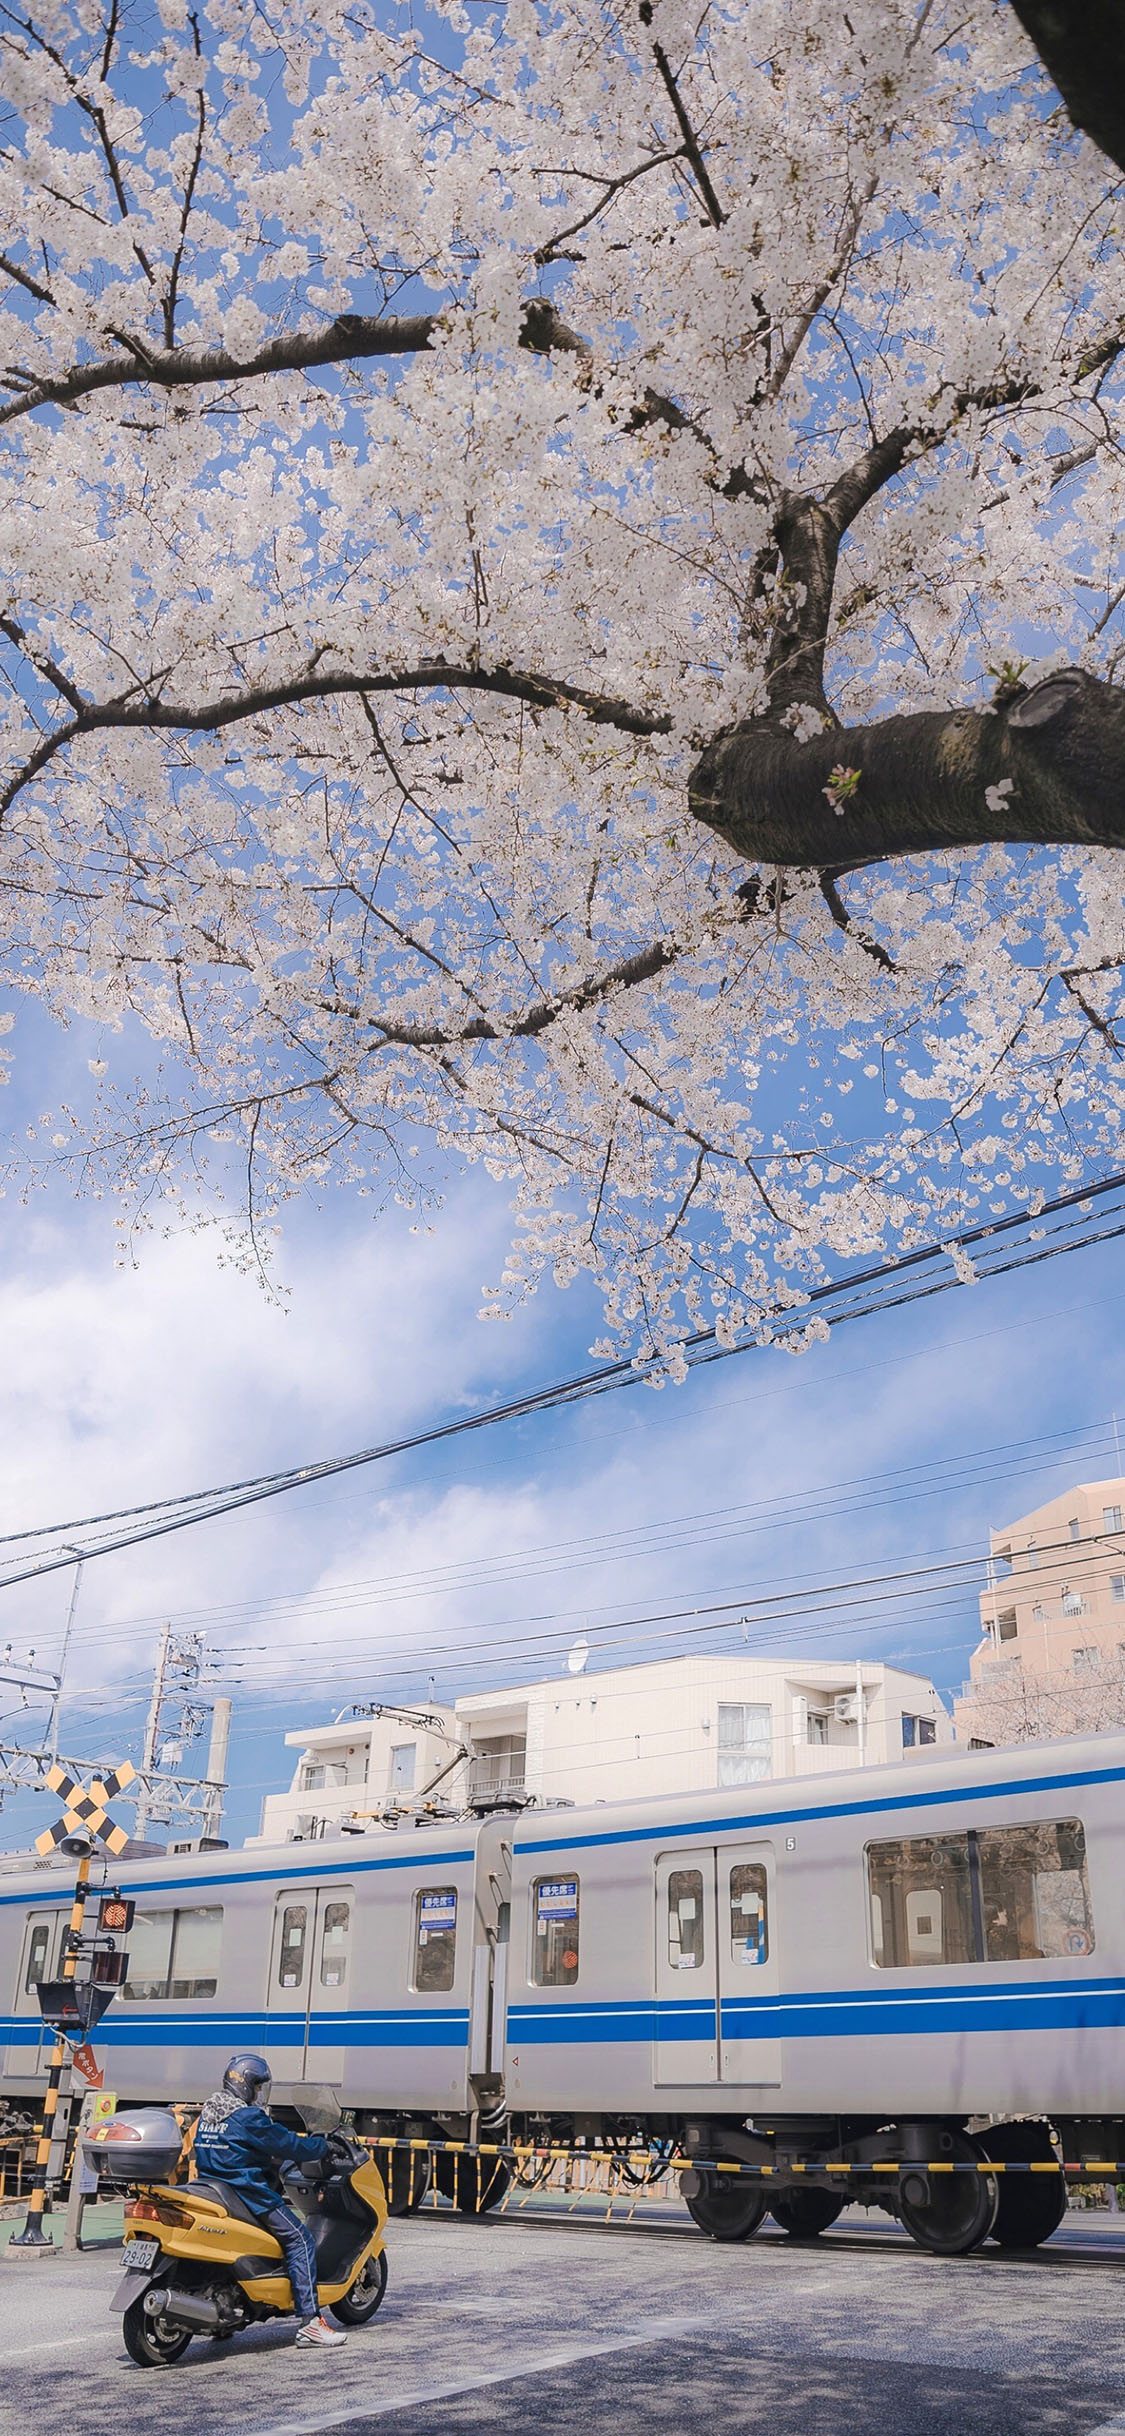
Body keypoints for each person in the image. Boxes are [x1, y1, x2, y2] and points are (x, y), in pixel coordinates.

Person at [193, 2053, 347, 2350]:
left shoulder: (210, 2111)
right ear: (247, 2085)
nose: (260, 2094)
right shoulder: (247, 2117)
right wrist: (322, 2145)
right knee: (300, 2239)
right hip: (246, 2192)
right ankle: (310, 2323)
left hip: (211, 2188)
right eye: (258, 2087)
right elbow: (287, 2144)